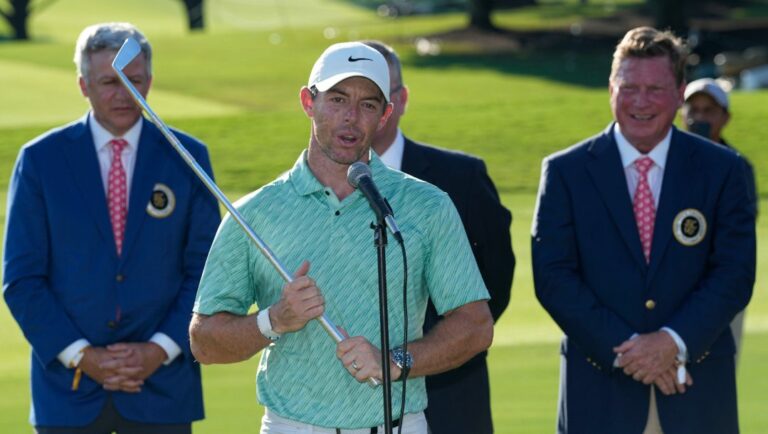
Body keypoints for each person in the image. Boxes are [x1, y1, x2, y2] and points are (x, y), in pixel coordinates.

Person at [189, 41, 494, 433]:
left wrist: (394, 361)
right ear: (307, 101)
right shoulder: (255, 212)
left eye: (368, 104)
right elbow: (204, 341)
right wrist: (273, 320)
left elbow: (475, 325)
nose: (351, 118)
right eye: (336, 99)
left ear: (385, 115)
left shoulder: (427, 206)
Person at [531, 27, 755, 434]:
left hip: (697, 392)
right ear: (610, 88)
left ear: (680, 91)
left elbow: (734, 273)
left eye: (655, 88)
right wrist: (632, 353)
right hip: (600, 392)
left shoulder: (723, 169)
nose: (640, 101)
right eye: (629, 87)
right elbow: (554, 278)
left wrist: (673, 342)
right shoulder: (566, 172)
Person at [3, 22, 220, 434]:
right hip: (68, 393)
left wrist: (159, 350)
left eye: (134, 81)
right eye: (108, 82)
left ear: (150, 81)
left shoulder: (187, 158)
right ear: (83, 85)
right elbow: (22, 279)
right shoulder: (40, 161)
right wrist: (85, 357)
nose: (123, 94)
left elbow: (206, 273)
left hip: (163, 391)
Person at [363, 40, 514, 434]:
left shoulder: (462, 178)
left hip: (450, 394)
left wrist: (433, 351)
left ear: (402, 98)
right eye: (348, 98)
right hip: (345, 400)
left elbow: (495, 279)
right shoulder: (310, 190)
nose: (364, 111)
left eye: (378, 95)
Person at [681, 77, 758, 361]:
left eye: (708, 110)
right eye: (693, 109)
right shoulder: (664, 162)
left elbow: (738, 238)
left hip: (721, 290)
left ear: (725, 118)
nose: (699, 116)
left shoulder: (738, 168)